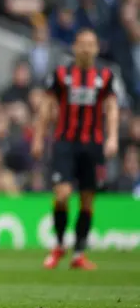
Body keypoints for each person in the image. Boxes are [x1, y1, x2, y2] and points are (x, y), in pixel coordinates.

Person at [32, 28, 120, 270]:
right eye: (81, 43)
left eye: (90, 44)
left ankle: (79, 253)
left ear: (96, 48)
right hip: (65, 142)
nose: (85, 48)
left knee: (87, 200)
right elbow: (47, 107)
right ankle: (59, 244)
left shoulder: (105, 76)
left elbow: (112, 108)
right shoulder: (61, 75)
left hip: (93, 144)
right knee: (61, 195)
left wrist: (112, 138)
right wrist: (39, 138)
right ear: (74, 47)